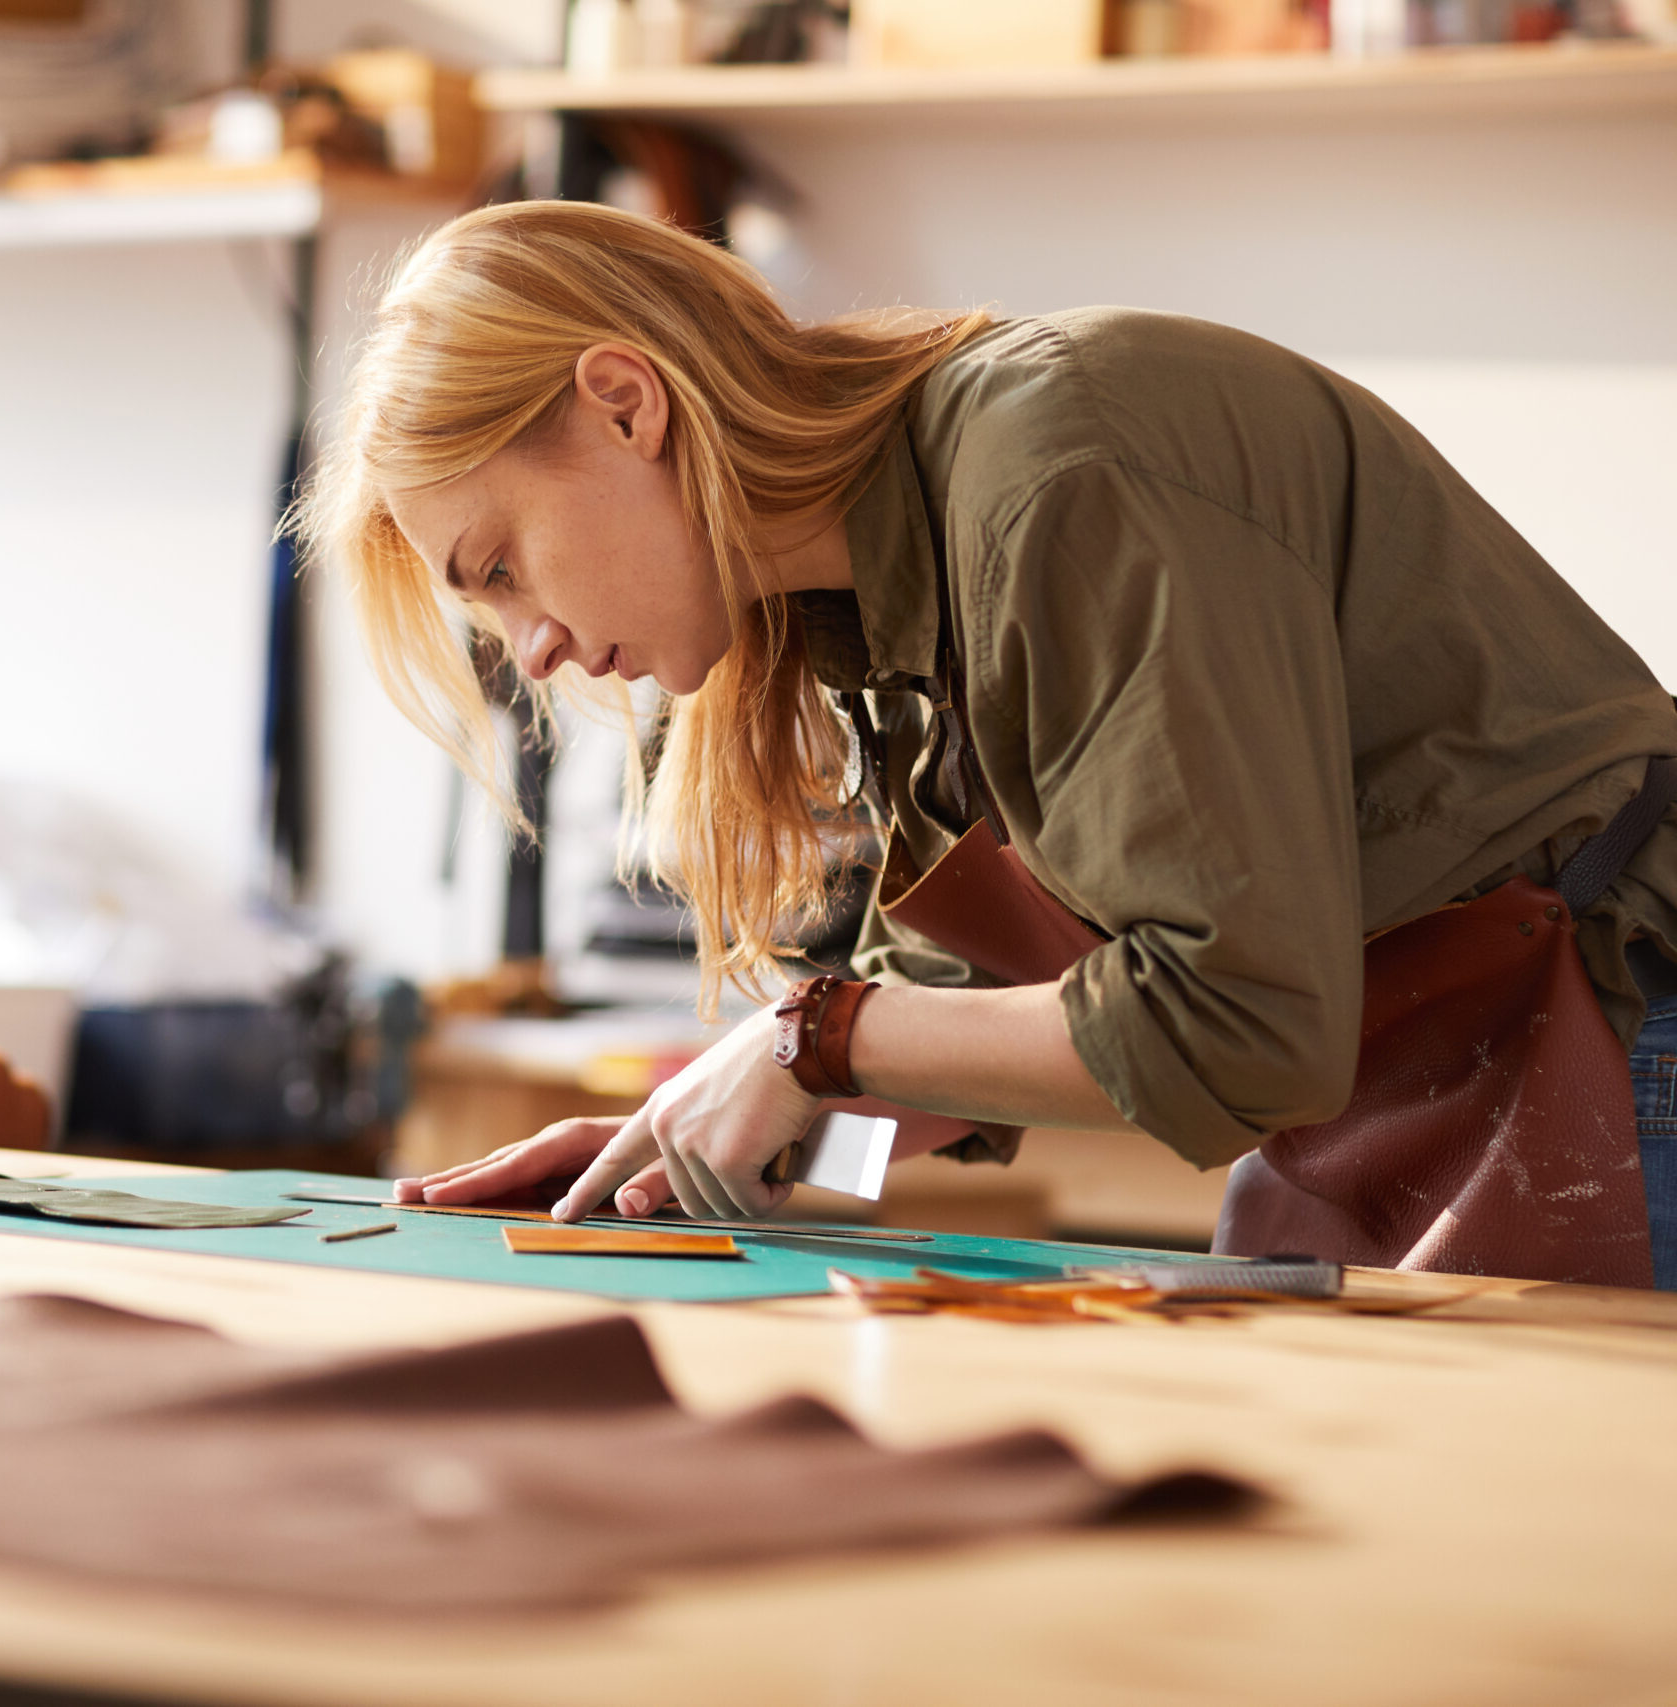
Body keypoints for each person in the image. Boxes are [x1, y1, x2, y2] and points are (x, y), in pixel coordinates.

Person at [297, 199, 1677, 1290]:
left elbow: (1242, 1028)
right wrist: (707, 1157)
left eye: (500, 565)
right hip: (1437, 1064)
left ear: (623, 401)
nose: (528, 650)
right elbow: (958, 1041)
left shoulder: (1057, 470)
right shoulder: (859, 603)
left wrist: (807, 1039)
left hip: (1625, 1013)